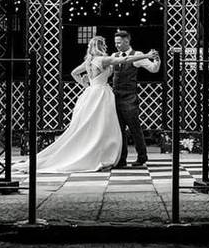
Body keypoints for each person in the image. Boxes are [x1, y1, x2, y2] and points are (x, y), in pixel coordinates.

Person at [17, 35, 158, 173]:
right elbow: (126, 58)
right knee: (104, 126)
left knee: (92, 126)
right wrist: (146, 55)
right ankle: (102, 155)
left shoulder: (89, 61)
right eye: (105, 45)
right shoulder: (103, 59)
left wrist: (86, 85)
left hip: (91, 93)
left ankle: (99, 153)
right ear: (101, 47)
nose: (109, 47)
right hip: (102, 94)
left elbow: (74, 73)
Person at [110, 30, 161, 167]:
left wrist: (156, 59)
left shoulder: (137, 55)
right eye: (115, 43)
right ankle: (121, 159)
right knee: (119, 130)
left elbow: (153, 69)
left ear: (127, 41)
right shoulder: (114, 56)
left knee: (134, 129)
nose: (117, 46)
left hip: (129, 97)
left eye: (119, 43)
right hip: (115, 97)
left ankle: (142, 157)